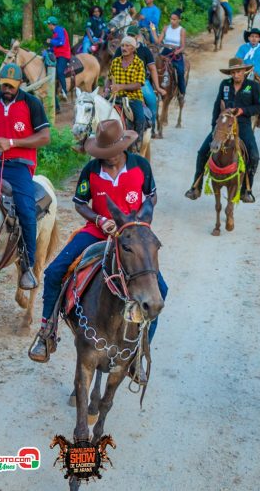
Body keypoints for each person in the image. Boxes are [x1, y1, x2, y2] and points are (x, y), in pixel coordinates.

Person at [28, 119, 168, 363]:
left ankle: (140, 351)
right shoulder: (91, 170)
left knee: (161, 290)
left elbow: (152, 196)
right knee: (54, 273)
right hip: (96, 232)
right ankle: (46, 332)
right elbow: (80, 203)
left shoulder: (141, 166)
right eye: (106, 154)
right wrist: (100, 219)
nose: (110, 158)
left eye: (114, 153)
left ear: (123, 147)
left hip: (132, 238)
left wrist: (140, 221)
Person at [0, 64, 51, 290]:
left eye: (11, 85)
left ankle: (27, 265)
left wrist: (12, 143)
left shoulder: (31, 103)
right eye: (4, 85)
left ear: (20, 84)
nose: (7, 89)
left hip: (19, 165)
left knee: (27, 211)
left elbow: (45, 136)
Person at [185, 58, 260, 203]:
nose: (236, 75)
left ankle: (247, 189)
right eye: (233, 72)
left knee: (254, 156)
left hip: (242, 124)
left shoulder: (253, 86)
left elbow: (259, 107)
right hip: (223, 125)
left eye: (238, 72)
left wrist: (242, 110)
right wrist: (215, 126)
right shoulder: (224, 85)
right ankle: (196, 186)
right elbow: (216, 105)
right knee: (202, 152)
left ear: (245, 71)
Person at [115, 26, 165, 138]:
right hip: (121, 81)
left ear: (138, 36)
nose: (130, 37)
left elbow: (152, 69)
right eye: (129, 35)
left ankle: (151, 127)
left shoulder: (144, 50)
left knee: (152, 101)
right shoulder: (120, 50)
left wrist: (157, 87)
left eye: (133, 35)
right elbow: (113, 68)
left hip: (141, 82)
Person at [105, 36, 147, 144]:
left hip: (133, 98)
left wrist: (120, 86)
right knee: (95, 109)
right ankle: (86, 141)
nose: (124, 48)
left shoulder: (139, 63)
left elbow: (138, 84)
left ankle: (137, 143)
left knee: (140, 118)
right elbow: (109, 79)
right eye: (122, 45)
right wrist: (106, 89)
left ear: (133, 49)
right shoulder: (115, 62)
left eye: (127, 46)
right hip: (116, 96)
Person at [235, 28, 260, 126]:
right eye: (252, 36)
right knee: (234, 91)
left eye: (256, 37)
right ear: (248, 37)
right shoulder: (243, 48)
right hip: (244, 75)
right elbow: (237, 60)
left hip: (258, 76)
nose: (254, 38)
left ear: (259, 39)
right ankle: (231, 111)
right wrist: (242, 70)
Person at [151, 8, 187, 100]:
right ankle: (153, 88)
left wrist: (177, 51)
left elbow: (183, 46)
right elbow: (158, 41)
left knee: (180, 71)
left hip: (176, 53)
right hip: (165, 51)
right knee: (153, 66)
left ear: (179, 20)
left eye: (174, 19)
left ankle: (181, 93)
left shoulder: (182, 30)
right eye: (171, 19)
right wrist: (153, 29)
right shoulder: (166, 28)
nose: (172, 21)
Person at [45, 16, 72, 110]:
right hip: (58, 54)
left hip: (63, 55)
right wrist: (49, 49)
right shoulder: (55, 32)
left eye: (48, 24)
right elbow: (55, 46)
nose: (48, 26)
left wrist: (51, 41)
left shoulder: (59, 30)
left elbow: (61, 42)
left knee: (60, 71)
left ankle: (64, 91)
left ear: (51, 24)